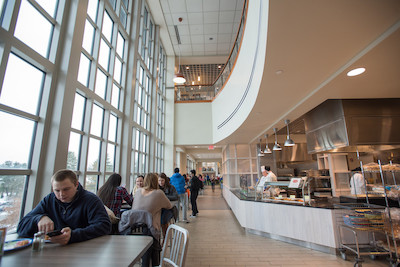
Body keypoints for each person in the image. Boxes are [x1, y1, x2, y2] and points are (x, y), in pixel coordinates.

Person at [17, 169, 111, 244]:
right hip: (54, 250)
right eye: (57, 190)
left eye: (66, 189)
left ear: (76, 185)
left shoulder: (91, 200)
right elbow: (21, 227)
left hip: (83, 250)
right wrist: (39, 218)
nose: (61, 194)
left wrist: (73, 235)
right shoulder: (49, 199)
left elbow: (104, 226)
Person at [131, 173, 173, 267]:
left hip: (136, 226)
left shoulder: (138, 191)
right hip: (152, 227)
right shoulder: (158, 193)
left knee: (147, 250)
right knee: (153, 250)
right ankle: (155, 263)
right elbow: (169, 205)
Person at [158, 173, 178, 239]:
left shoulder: (171, 187)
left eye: (162, 180)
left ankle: (165, 237)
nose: (161, 182)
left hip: (169, 209)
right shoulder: (157, 188)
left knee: (163, 220)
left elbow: (175, 197)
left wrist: (164, 197)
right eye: (159, 180)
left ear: (165, 180)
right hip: (159, 208)